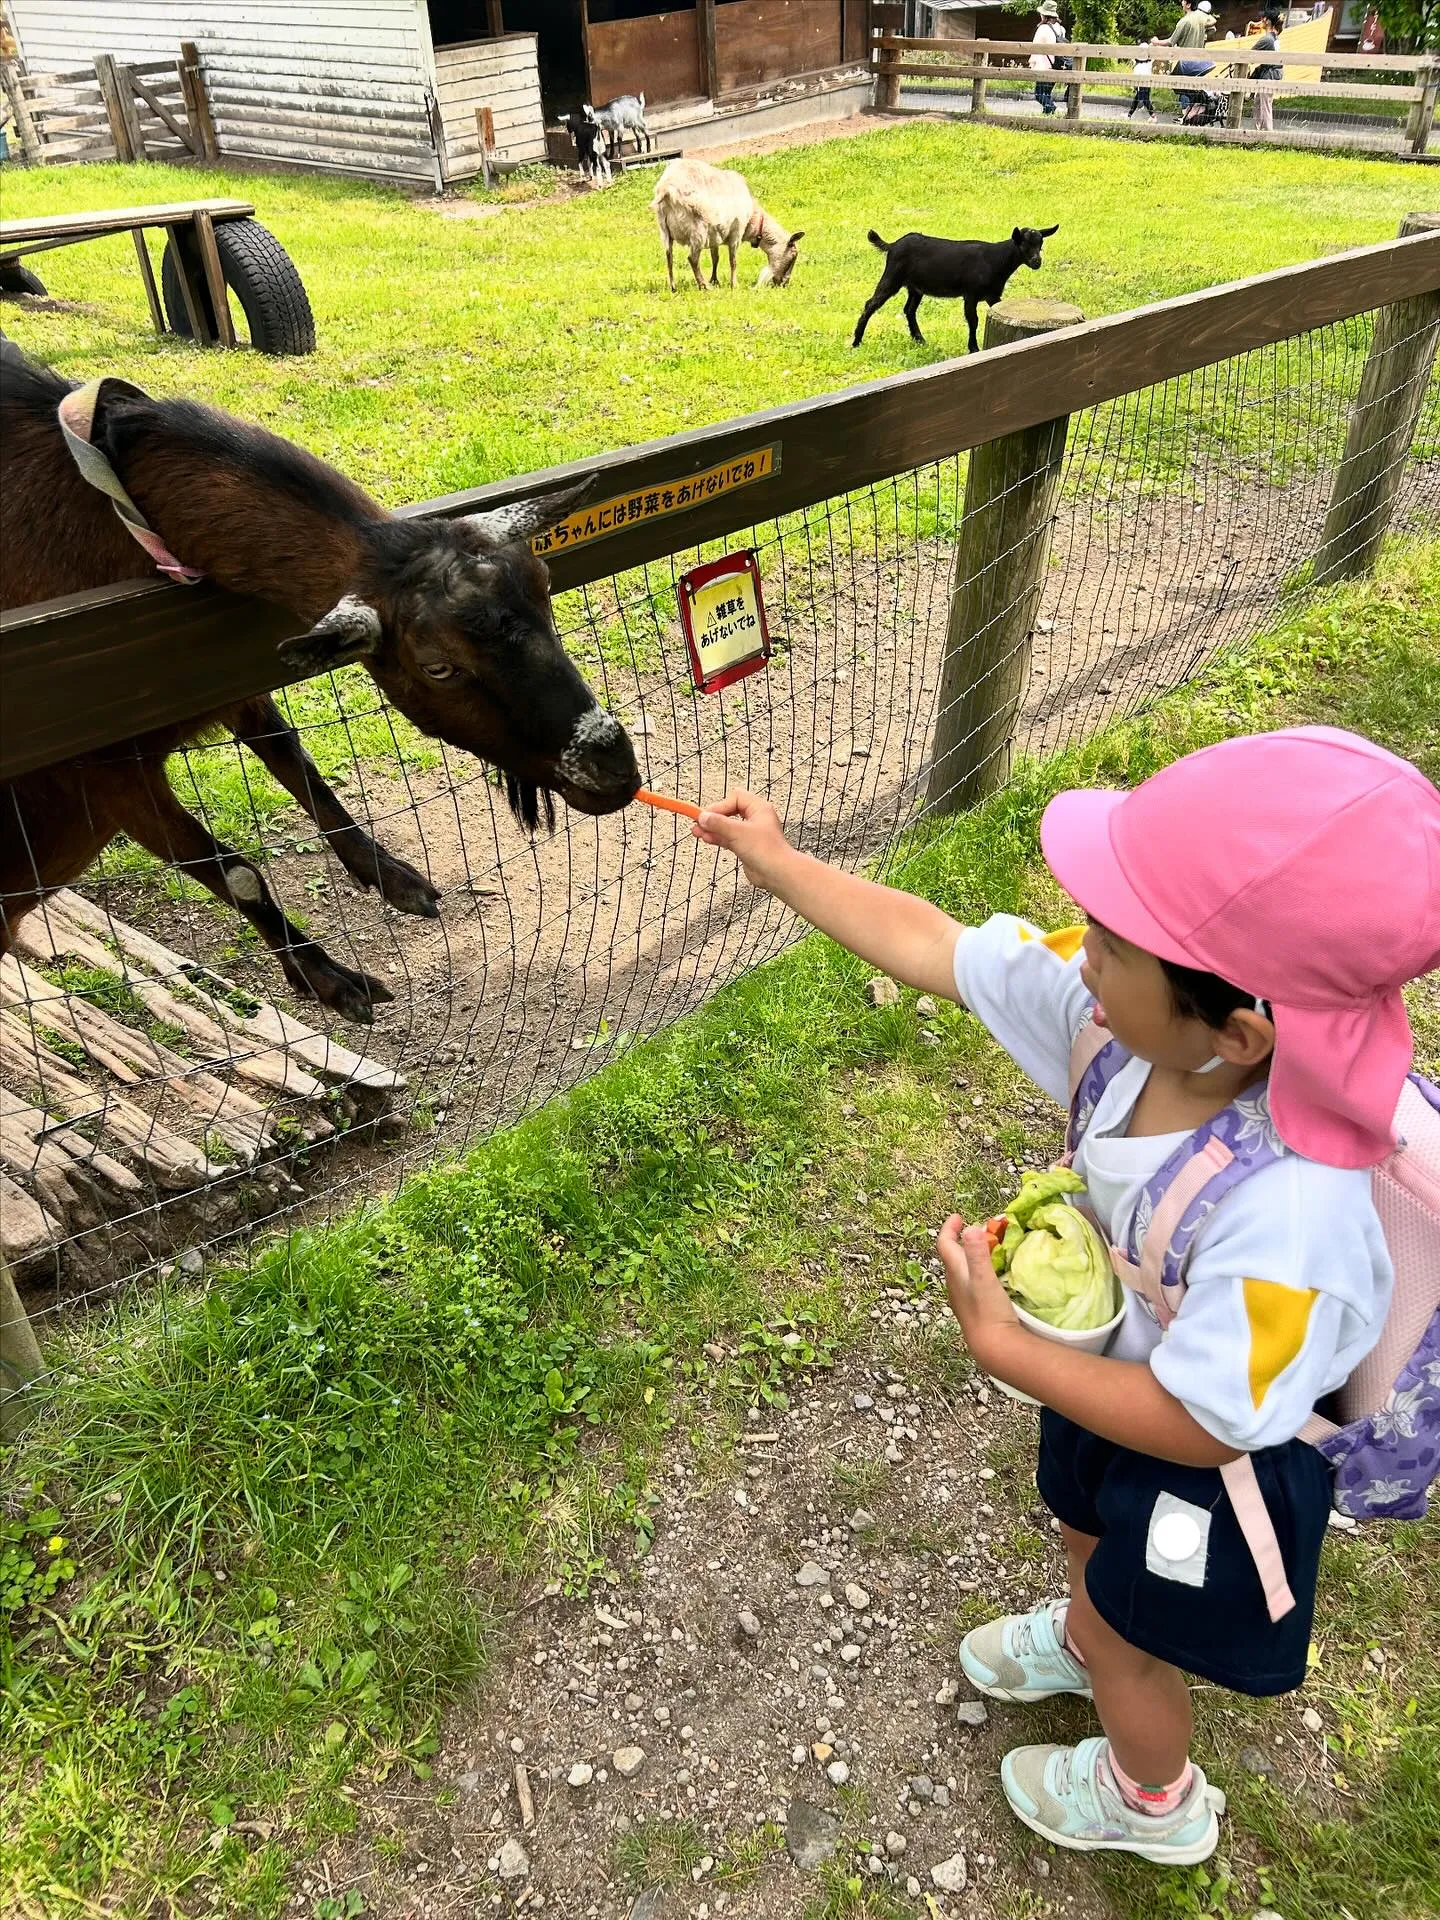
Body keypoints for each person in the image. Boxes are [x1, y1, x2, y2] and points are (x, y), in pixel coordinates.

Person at [691, 728, 1440, 1864]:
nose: (1078, 950)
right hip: (1111, 1383)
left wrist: (1005, 1345)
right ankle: (1087, 1631)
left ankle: (1153, 1801)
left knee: (1144, 1641)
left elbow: (1204, 1424)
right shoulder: (1131, 1028)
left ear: (1235, 1031)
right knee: (1084, 1527)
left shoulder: (1294, 1224)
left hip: (1215, 1463)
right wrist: (783, 865)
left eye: (1111, 940)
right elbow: (941, 945)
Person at [1165, 0, 1216, 116]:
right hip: (1200, 62)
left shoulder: (1186, 21)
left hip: (1187, 61)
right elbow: (1213, 26)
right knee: (1189, 85)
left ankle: (1187, 113)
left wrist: (1156, 42)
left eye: (1183, 1)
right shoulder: (1203, 21)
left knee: (1180, 85)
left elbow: (1170, 42)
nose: (1181, 3)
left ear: (1189, 5)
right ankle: (1193, 110)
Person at [1249, 9, 1284, 132]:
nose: (1261, 21)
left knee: (1265, 106)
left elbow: (1248, 54)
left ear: (1268, 21)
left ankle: (1268, 134)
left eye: (1263, 18)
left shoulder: (1267, 39)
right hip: (1274, 73)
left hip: (1269, 75)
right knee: (1259, 103)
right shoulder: (1275, 37)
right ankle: (1256, 131)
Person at [1030, 0, 1065, 116]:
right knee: (1046, 93)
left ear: (1044, 15)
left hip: (1043, 66)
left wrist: (1032, 62)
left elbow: (1035, 48)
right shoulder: (1060, 29)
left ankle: (1053, 109)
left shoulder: (1042, 29)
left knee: (1039, 94)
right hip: (1056, 66)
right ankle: (1047, 116)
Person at [1129, 38, 1156, 117]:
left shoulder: (1139, 64)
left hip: (1142, 82)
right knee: (1140, 98)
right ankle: (1129, 115)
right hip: (1145, 82)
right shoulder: (1149, 62)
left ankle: (1153, 115)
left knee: (1143, 99)